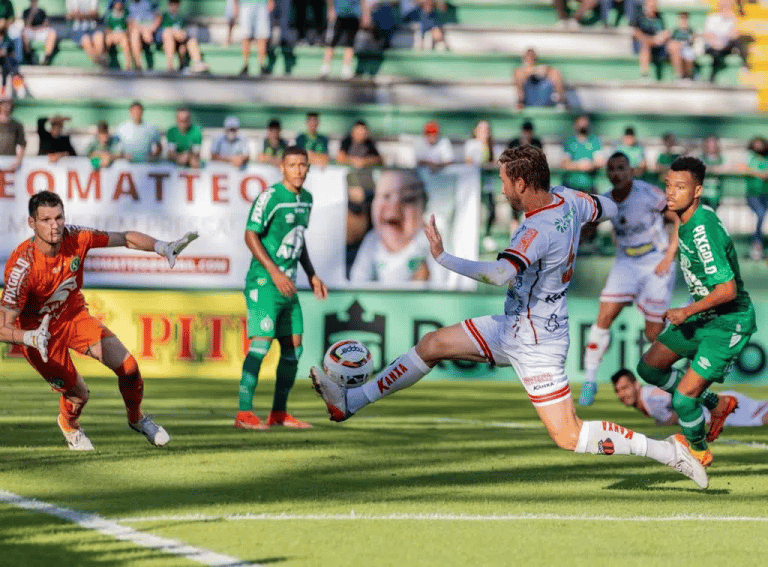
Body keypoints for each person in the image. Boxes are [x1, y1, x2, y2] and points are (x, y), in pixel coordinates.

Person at [310, 145, 710, 490]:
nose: (501, 189)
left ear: (522, 183)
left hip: (538, 344)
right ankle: (349, 403)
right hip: (514, 326)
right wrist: (583, 219)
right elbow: (606, 206)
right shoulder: (567, 198)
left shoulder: (535, 229)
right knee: (431, 345)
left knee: (570, 436)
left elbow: (500, 274)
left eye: (504, 181)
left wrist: (443, 257)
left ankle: (668, 451)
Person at [0, 190, 198, 450]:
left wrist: (162, 246)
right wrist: (29, 338)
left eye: (58, 217)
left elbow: (125, 238)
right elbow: (3, 326)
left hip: (73, 317)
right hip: (39, 335)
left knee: (129, 368)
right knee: (79, 395)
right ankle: (70, 425)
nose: (54, 225)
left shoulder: (77, 237)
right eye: (46, 220)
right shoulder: (22, 267)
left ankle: (137, 419)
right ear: (32, 223)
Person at [636, 156, 755, 468]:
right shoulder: (687, 216)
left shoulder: (703, 230)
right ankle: (718, 404)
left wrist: (687, 311)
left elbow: (727, 290)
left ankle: (699, 451)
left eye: (680, 187)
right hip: (704, 317)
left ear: (698, 190)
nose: (671, 193)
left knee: (683, 400)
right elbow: (679, 225)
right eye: (668, 186)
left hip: (728, 322)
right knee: (649, 369)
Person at [236, 146, 328, 430]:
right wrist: (274, 272)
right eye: (292, 165)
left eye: (303, 165)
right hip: (264, 282)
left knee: (294, 349)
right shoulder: (270, 197)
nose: (298, 170)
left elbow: (298, 240)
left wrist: (312, 274)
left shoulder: (307, 200)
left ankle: (278, 413)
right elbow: (250, 235)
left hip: (289, 285)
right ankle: (243, 413)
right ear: (282, 167)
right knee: (261, 345)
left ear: (308, 167)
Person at [579, 152, 678, 406]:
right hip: (626, 262)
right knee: (603, 317)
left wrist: (669, 256)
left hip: (655, 260)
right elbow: (589, 229)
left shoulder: (648, 194)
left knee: (654, 333)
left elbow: (678, 219)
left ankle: (678, 378)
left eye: (621, 168)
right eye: (611, 169)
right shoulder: (607, 200)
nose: (616, 173)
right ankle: (589, 380)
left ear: (631, 171)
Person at [349, 168, 430, 284]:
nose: (394, 205)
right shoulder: (372, 241)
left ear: (423, 211)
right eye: (386, 196)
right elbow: (357, 282)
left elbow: (443, 282)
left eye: (407, 199)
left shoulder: (426, 241)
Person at [612, 368, 768, 429]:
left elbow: (680, 394)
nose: (622, 394)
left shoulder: (650, 398)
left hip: (720, 408)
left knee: (761, 418)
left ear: (636, 384)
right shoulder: (646, 400)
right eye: (618, 390)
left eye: (625, 388)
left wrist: (659, 428)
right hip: (717, 409)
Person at [464, 120, 497, 253]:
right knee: (473, 211)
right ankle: (471, 238)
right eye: (481, 129)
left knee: (491, 210)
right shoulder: (471, 144)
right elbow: (469, 161)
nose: (484, 132)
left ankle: (487, 236)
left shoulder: (492, 146)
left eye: (486, 129)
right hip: (474, 183)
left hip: (488, 183)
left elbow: (496, 162)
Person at [631, 0, 682, 80]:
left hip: (658, 44)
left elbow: (664, 32)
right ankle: (644, 74)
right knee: (645, 44)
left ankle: (679, 76)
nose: (653, 7)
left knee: (674, 45)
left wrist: (663, 36)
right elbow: (635, 33)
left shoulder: (659, 17)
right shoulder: (639, 16)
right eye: (651, 4)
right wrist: (649, 39)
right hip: (643, 44)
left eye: (654, 4)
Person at [319, 0, 370, 79]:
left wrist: (365, 15)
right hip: (339, 14)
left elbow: (363, 1)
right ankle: (325, 69)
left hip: (353, 15)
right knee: (331, 42)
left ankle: (345, 69)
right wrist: (330, 9)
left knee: (350, 43)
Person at [157, 0, 209, 73]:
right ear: (169, 4)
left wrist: (180, 34)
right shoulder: (164, 16)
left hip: (180, 42)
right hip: (167, 43)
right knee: (168, 33)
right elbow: (162, 33)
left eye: (176, 4)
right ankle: (170, 66)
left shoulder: (180, 18)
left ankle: (198, 63)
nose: (174, 6)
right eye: (172, 4)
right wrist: (175, 33)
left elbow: (183, 32)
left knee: (191, 41)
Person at [704, 0, 748, 82]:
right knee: (715, 54)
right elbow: (707, 35)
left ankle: (744, 65)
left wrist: (732, 17)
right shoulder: (713, 18)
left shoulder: (732, 19)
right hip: (714, 46)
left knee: (738, 42)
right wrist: (716, 45)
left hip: (725, 46)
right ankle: (712, 76)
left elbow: (735, 34)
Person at [560, 114, 603, 194]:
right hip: (570, 187)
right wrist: (579, 166)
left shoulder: (594, 141)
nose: (583, 125)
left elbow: (600, 162)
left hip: (589, 187)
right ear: (575, 125)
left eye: (585, 122)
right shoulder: (569, 141)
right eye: (580, 122)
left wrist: (591, 165)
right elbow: (564, 163)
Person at [741, 136, 768, 261]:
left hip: (765, 194)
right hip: (752, 194)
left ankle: (757, 245)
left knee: (760, 217)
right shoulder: (749, 156)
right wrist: (759, 173)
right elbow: (744, 168)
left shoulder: (766, 158)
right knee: (760, 214)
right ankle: (757, 244)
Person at [235, 0, 273, 75]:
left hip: (262, 4)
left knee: (262, 35)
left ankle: (262, 65)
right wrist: (235, 4)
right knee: (245, 35)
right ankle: (245, 64)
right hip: (245, 4)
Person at [66, 0, 105, 67]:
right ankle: (100, 62)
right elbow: (69, 15)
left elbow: (95, 14)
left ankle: (100, 64)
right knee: (86, 39)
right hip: (77, 29)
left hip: (92, 29)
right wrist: (88, 15)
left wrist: (79, 15)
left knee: (99, 36)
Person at [127, 0, 161, 71]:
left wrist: (151, 29)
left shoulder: (151, 2)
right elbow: (130, 22)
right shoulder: (130, 5)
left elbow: (158, 16)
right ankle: (138, 65)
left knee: (145, 37)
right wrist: (142, 29)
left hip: (151, 30)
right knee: (134, 34)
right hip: (138, 30)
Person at [22, 0, 57, 65]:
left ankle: (47, 58)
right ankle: (29, 58)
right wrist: (32, 13)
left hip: (41, 31)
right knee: (24, 32)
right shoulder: (26, 11)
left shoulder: (42, 11)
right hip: (31, 32)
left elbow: (46, 24)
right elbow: (26, 25)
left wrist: (37, 28)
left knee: (52, 32)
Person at [698, 134, 725, 211]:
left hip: (716, 194)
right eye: (709, 143)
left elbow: (726, 168)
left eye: (713, 143)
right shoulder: (700, 157)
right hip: (702, 194)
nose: (711, 146)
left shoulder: (722, 159)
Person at [104, 0, 132, 70]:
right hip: (112, 34)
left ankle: (128, 65)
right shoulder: (110, 15)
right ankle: (105, 63)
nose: (118, 5)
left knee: (125, 43)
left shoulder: (125, 14)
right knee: (107, 41)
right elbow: (107, 28)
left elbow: (128, 26)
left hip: (122, 34)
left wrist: (126, 33)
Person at [669, 11, 696, 80]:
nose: (683, 21)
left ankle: (687, 75)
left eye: (685, 19)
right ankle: (679, 75)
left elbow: (692, 42)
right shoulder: (675, 31)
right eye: (682, 19)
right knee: (676, 50)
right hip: (678, 50)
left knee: (689, 54)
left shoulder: (690, 31)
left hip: (687, 49)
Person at [0, 97, 25, 171]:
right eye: (3, 104)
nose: (6, 106)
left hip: (10, 160)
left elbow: (22, 144)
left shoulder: (16, 125)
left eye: (8, 104)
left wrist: (18, 160)